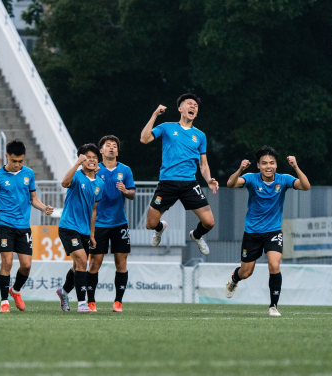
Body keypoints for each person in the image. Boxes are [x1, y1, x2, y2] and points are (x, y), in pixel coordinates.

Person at [224, 146, 310, 316]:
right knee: (246, 272)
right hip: (252, 232)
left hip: (273, 231)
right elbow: (230, 184)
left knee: (274, 264)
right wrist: (240, 169)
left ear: (276, 165)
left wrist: (296, 167)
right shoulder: (251, 178)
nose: (268, 166)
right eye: (264, 163)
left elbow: (305, 186)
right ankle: (235, 278)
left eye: (271, 163)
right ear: (258, 166)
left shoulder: (283, 179)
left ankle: (273, 306)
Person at [140, 93, 218, 255]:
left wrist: (209, 179)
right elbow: (144, 139)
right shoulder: (167, 127)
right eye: (189, 104)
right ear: (180, 109)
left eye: (195, 106)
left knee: (209, 222)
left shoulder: (200, 136)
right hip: (167, 183)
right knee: (150, 224)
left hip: (189, 183)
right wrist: (155, 114)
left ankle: (196, 236)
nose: (193, 107)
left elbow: (203, 164)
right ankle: (160, 228)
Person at [0, 140, 54, 313]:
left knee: (26, 265)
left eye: (20, 161)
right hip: (5, 224)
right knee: (7, 262)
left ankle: (15, 291)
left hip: (23, 226)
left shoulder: (28, 174)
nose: (17, 165)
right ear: (7, 156)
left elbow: (33, 199)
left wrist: (44, 207)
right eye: (14, 161)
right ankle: (4, 301)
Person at [86, 135, 135, 312]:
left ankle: (118, 302)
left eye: (115, 146)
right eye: (108, 145)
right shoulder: (94, 169)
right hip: (98, 224)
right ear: (101, 150)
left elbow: (132, 193)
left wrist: (125, 191)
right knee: (94, 263)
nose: (112, 148)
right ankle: (91, 301)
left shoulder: (125, 170)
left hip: (119, 223)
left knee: (121, 262)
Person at [55, 144, 104, 313]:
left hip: (84, 230)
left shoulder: (99, 183)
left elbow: (94, 209)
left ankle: (64, 291)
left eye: (94, 157)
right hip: (68, 226)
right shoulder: (76, 176)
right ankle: (82, 304)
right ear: (82, 159)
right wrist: (76, 164)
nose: (91, 160)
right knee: (83, 260)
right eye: (88, 157)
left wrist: (92, 234)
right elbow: (64, 183)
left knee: (78, 266)